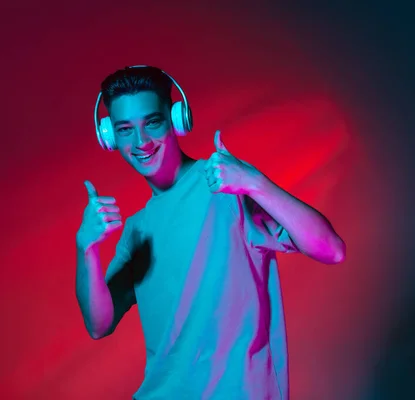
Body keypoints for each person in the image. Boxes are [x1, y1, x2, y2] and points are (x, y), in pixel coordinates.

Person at [75, 66, 346, 400]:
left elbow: (331, 249)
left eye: (152, 123)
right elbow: (98, 324)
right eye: (125, 129)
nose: (140, 141)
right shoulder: (136, 229)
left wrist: (255, 183)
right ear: (110, 137)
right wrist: (86, 249)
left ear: (176, 120)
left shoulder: (226, 185)